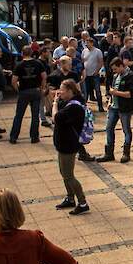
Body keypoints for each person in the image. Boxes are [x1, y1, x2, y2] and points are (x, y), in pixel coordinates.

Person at [51, 79, 89, 215]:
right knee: (64, 173)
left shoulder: (74, 107)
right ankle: (70, 198)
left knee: (69, 176)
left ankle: (83, 202)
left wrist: (54, 103)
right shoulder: (68, 103)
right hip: (63, 144)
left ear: (70, 91)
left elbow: (55, 118)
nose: (59, 92)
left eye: (62, 90)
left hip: (68, 145)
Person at [96, 57, 133, 163]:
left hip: (124, 108)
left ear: (121, 66)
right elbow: (113, 90)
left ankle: (126, 153)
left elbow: (130, 94)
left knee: (126, 130)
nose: (113, 71)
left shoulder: (131, 76)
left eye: (115, 69)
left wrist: (115, 93)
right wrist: (110, 101)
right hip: (114, 108)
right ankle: (109, 153)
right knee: (109, 128)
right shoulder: (116, 76)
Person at [10, 46, 47, 144]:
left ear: (22, 53)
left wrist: (18, 90)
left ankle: (14, 137)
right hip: (35, 91)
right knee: (35, 116)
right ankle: (34, 137)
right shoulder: (38, 63)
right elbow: (44, 77)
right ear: (31, 53)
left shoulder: (19, 65)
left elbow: (13, 81)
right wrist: (42, 88)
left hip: (24, 92)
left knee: (19, 116)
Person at [82, 37, 104, 112]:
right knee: (86, 92)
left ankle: (100, 107)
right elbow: (83, 61)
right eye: (86, 43)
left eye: (88, 43)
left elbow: (101, 62)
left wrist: (97, 71)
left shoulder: (98, 51)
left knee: (97, 91)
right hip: (86, 75)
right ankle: (84, 107)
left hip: (95, 75)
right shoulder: (84, 51)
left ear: (92, 43)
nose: (86, 44)